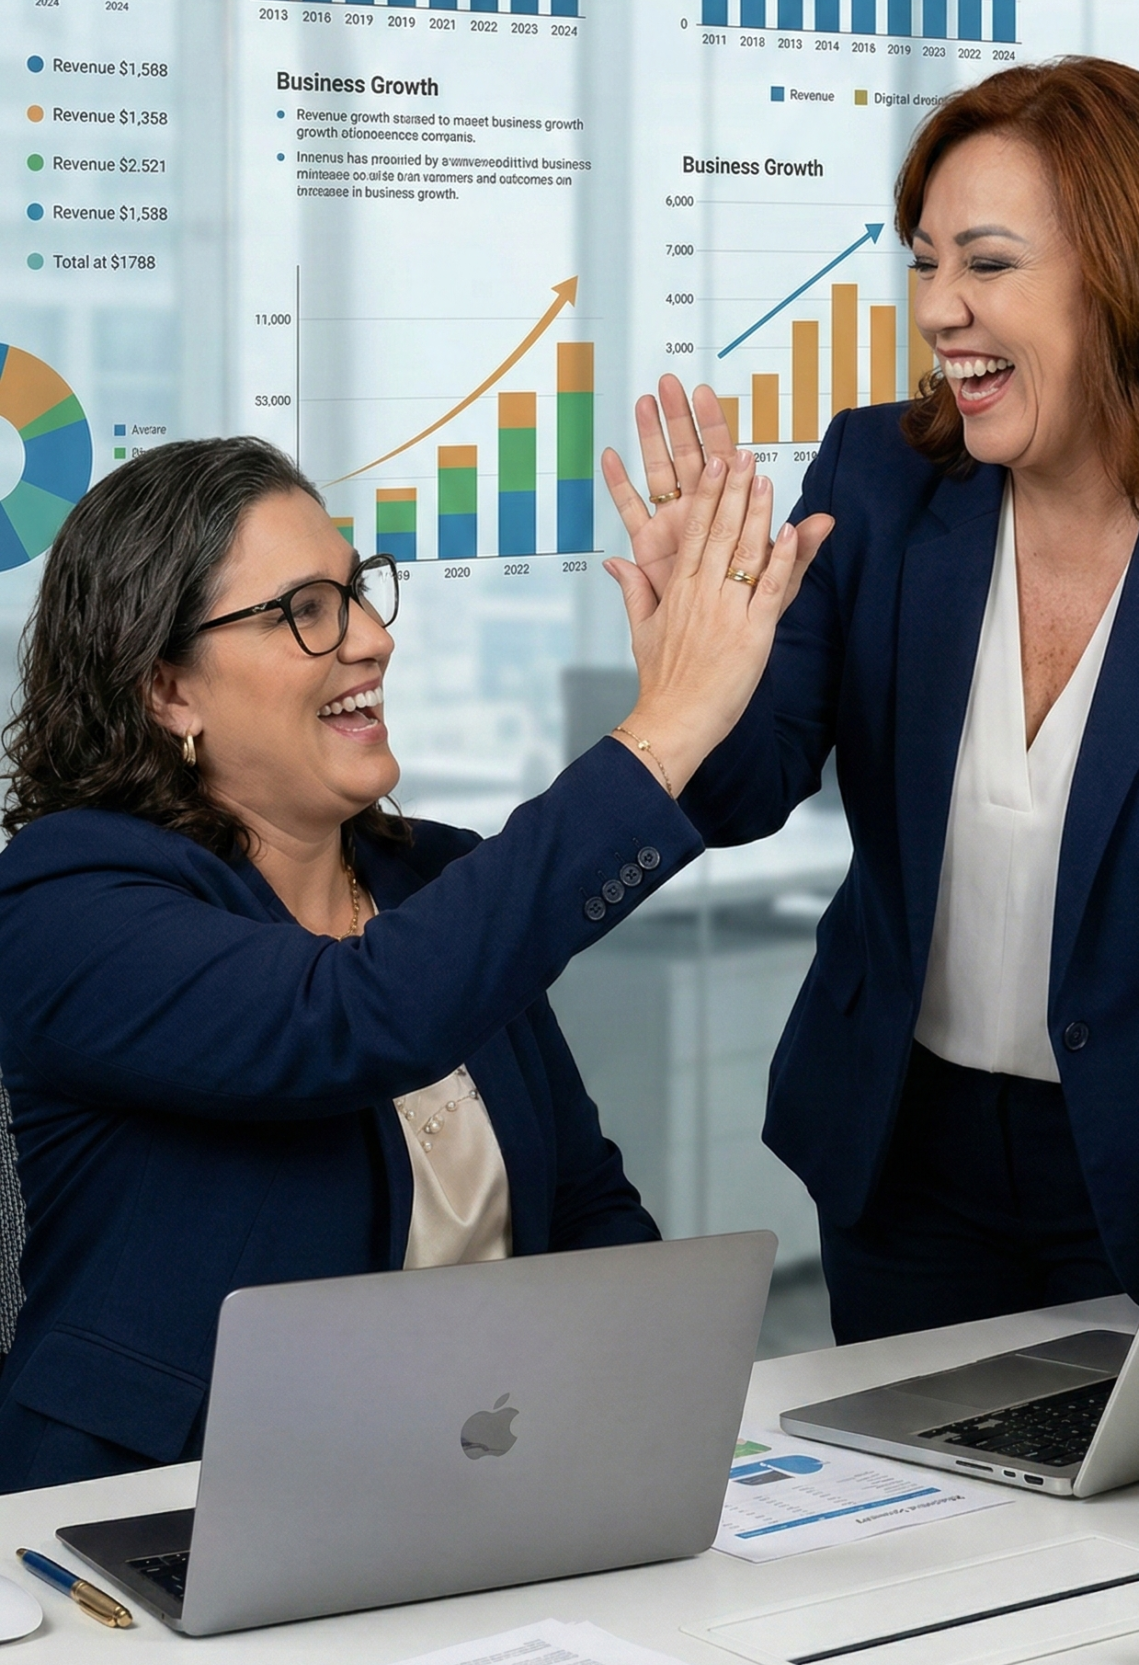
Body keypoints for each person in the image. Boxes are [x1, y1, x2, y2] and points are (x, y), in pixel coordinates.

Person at [604, 57, 1139, 1343]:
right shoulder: (878, 475)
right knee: (929, 1526)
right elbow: (748, 793)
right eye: (924, 263)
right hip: (904, 1160)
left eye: (983, 263)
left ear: (1127, 272)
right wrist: (693, 673)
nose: (937, 308)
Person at [0, 432, 809, 1491]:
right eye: (305, 609)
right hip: (156, 1511)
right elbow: (343, 1021)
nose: (372, 639)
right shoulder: (67, 898)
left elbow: (579, 1206)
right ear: (167, 692)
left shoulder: (432, 881)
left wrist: (650, 1414)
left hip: (463, 1486)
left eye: (359, 591)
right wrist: (661, 722)